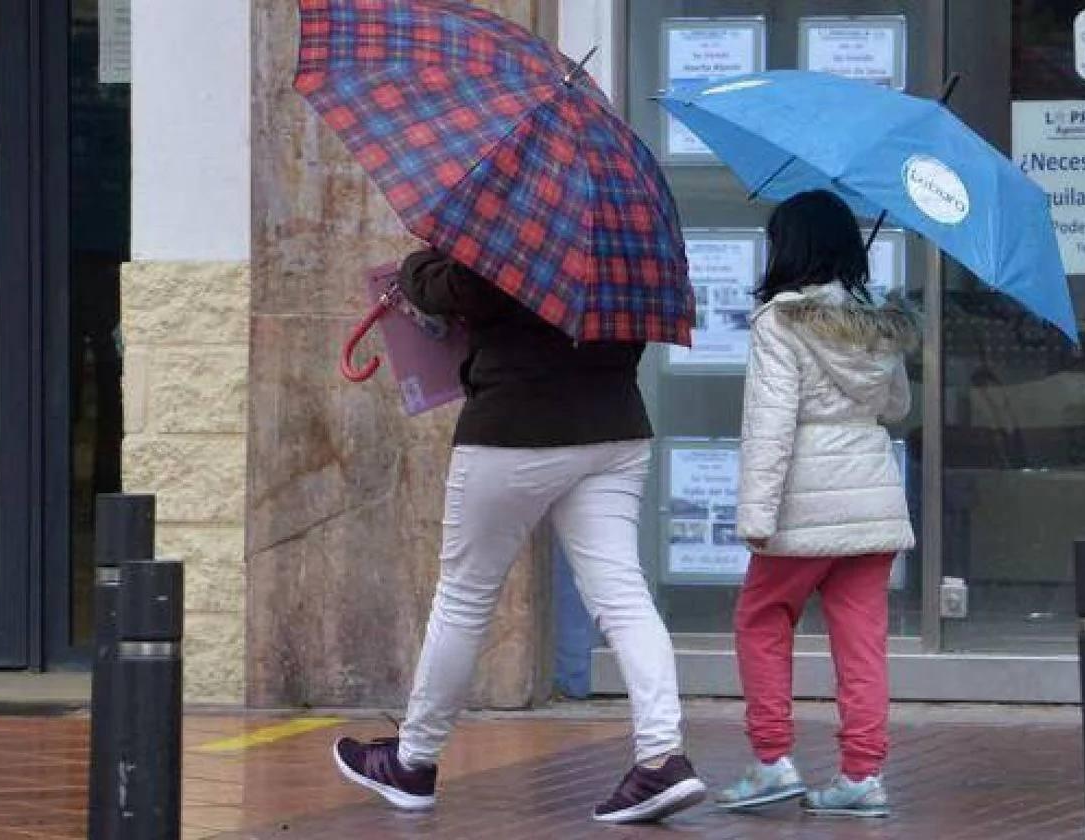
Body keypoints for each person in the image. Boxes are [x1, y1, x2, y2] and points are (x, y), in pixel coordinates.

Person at [332, 248, 707, 824]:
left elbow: (462, 288)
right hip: (614, 428)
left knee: (463, 596)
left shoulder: (526, 219)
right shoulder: (628, 227)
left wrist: (416, 268)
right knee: (623, 597)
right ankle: (662, 756)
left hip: (514, 428)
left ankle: (414, 760)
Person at [715, 190, 918, 818]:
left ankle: (773, 759)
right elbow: (897, 409)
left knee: (762, 619)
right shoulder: (877, 320)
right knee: (862, 643)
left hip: (803, 506)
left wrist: (754, 515)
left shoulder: (781, 321)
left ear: (790, 248)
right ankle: (862, 775)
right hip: (871, 501)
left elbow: (771, 426)